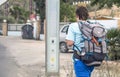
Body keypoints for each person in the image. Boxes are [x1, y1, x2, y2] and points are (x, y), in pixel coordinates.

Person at [66, 6, 94, 77]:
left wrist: (67, 39)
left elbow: (70, 43)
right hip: (92, 59)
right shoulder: (91, 25)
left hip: (80, 60)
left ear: (77, 15)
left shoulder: (73, 26)